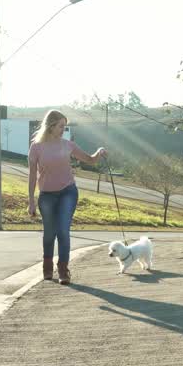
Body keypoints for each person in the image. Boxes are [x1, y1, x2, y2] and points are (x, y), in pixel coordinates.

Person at [27, 110, 106, 284]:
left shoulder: (67, 145)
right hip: (46, 195)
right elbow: (32, 176)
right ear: (52, 125)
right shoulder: (36, 147)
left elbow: (90, 160)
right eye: (61, 126)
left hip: (67, 192)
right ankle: (47, 268)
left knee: (63, 231)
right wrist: (31, 201)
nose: (64, 129)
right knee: (49, 234)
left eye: (65, 126)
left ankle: (63, 270)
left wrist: (99, 152)